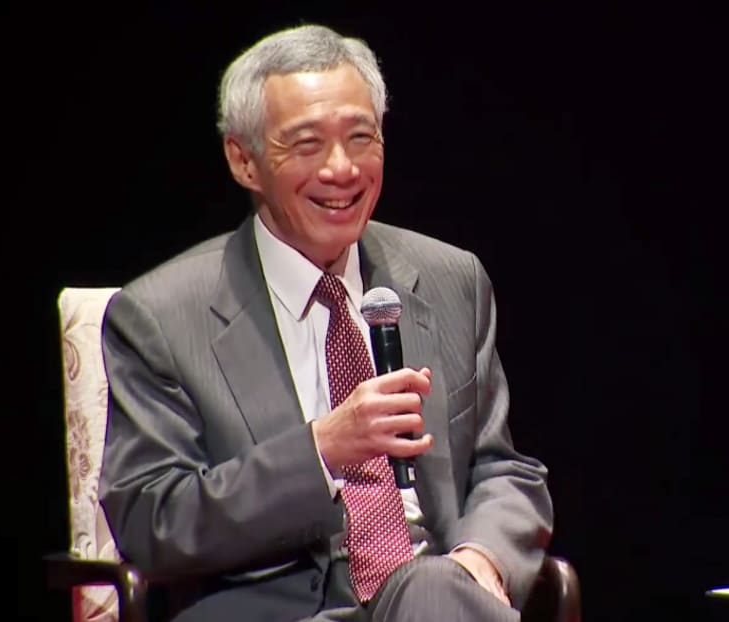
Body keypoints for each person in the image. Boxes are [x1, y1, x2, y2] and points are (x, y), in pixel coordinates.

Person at [99, 23, 553, 622]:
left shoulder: (450, 278)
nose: (342, 169)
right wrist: (323, 450)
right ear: (244, 159)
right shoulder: (160, 315)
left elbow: (504, 469)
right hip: (274, 610)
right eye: (307, 145)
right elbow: (153, 519)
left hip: (433, 596)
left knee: (434, 589)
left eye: (361, 138)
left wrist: (482, 559)